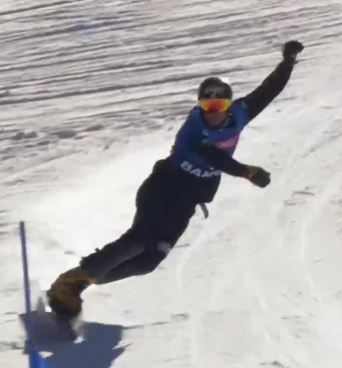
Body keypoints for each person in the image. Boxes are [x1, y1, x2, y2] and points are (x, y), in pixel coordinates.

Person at [46, 40, 305, 319]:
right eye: (207, 105)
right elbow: (213, 157)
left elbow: (269, 91)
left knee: (148, 262)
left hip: (187, 201)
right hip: (163, 188)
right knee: (140, 240)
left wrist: (287, 62)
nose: (213, 112)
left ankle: (83, 281)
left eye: (219, 104)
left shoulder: (240, 114)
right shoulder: (195, 128)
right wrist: (246, 171)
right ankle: (68, 282)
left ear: (229, 105)